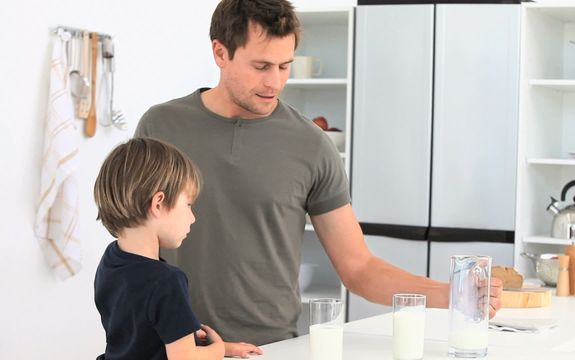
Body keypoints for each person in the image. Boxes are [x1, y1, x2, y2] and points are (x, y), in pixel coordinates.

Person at [135, 0, 503, 346]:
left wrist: (449, 293)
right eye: (261, 66)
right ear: (220, 52)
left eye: (284, 66)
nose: (275, 83)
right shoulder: (161, 125)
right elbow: (133, 241)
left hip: (268, 348)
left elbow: (358, 267)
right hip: (170, 345)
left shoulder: (312, 144)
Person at [93, 138, 263, 359]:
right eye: (189, 205)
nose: (193, 218)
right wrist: (219, 349)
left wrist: (213, 345)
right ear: (159, 204)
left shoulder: (112, 259)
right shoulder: (166, 280)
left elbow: (143, 335)